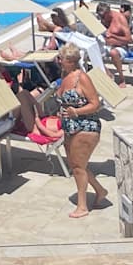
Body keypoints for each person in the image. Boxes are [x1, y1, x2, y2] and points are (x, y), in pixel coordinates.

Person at [54, 43, 107, 218]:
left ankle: (82, 206)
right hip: (70, 127)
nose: (58, 61)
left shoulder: (81, 78)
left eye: (61, 59)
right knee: (77, 165)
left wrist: (76, 111)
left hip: (86, 126)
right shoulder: (65, 76)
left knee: (78, 167)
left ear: (70, 61)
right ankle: (100, 190)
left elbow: (95, 104)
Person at [95, 2, 133, 83]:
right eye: (99, 16)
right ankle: (108, 74)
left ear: (109, 12)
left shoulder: (120, 19)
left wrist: (113, 36)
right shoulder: (103, 19)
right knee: (92, 49)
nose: (101, 18)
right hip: (107, 45)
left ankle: (122, 79)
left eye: (103, 16)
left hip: (121, 47)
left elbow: (129, 40)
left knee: (113, 52)